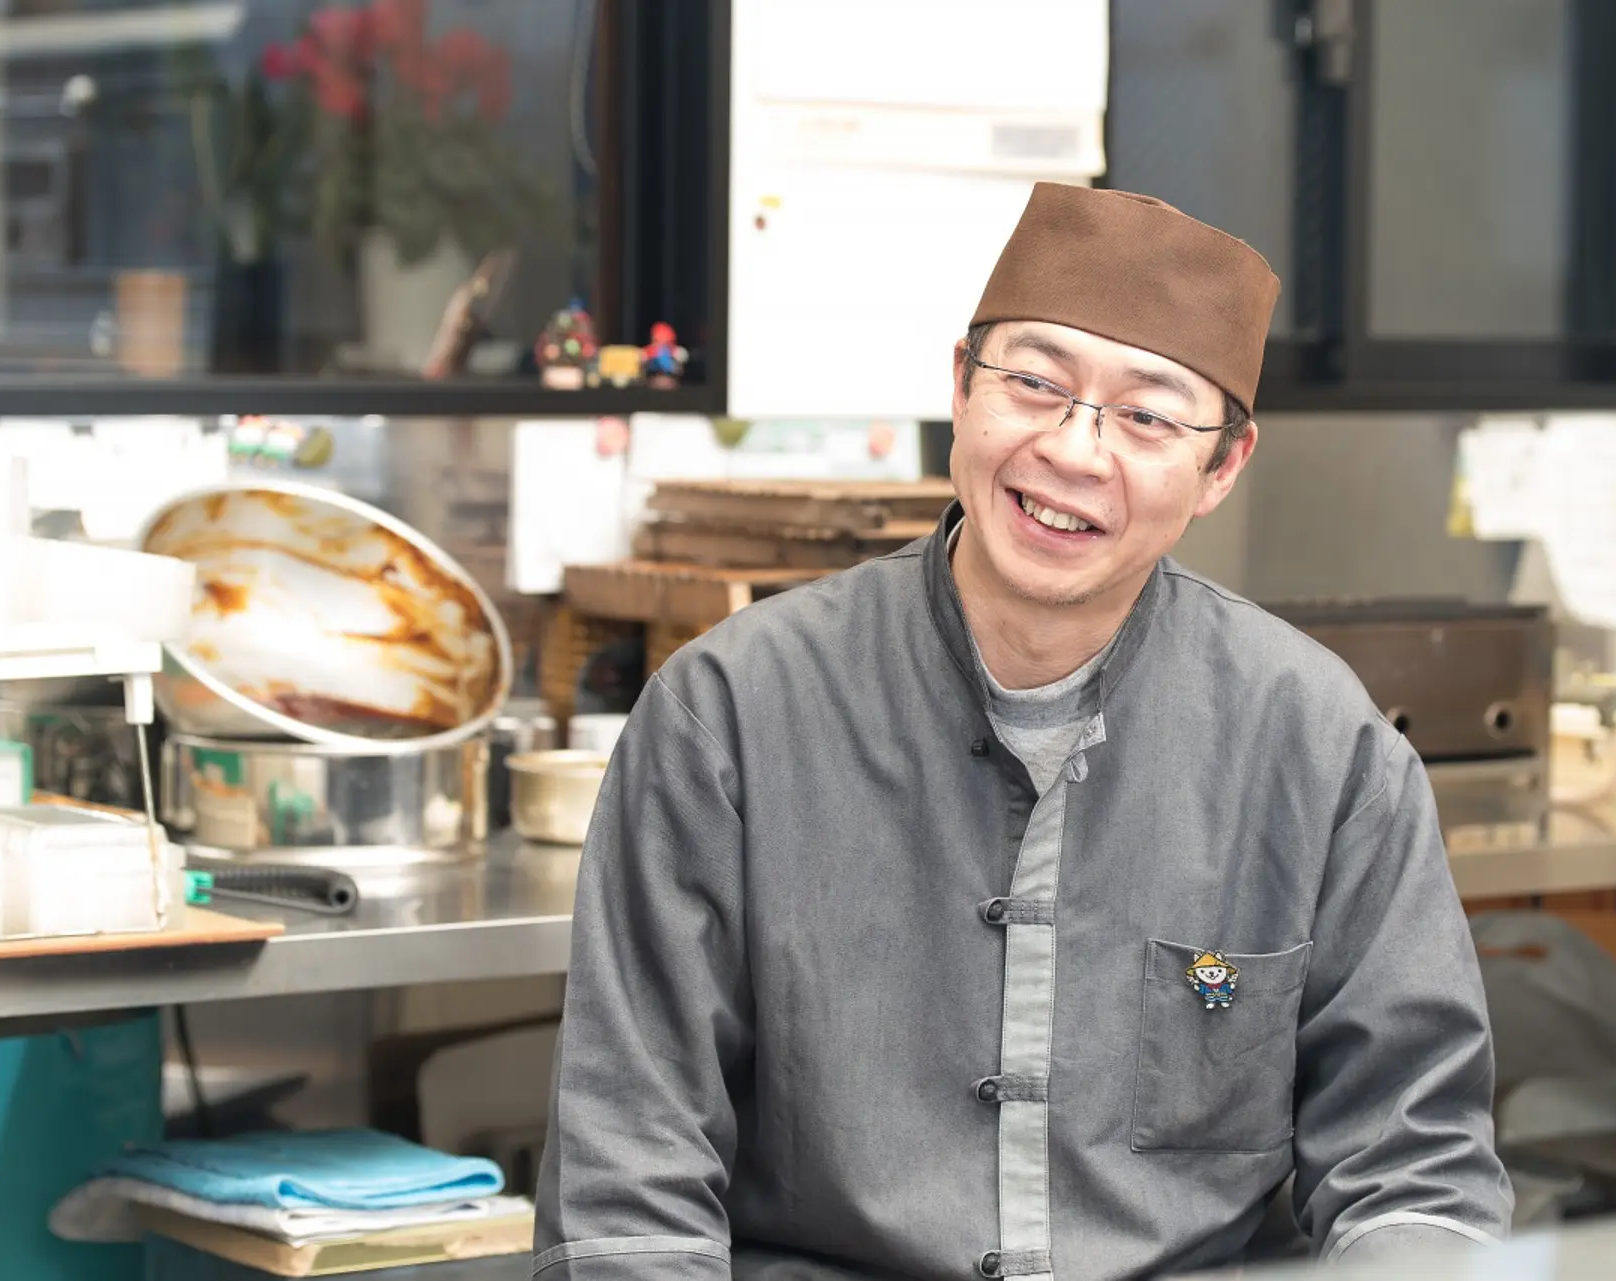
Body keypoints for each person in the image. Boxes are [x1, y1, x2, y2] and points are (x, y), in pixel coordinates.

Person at [535, 183, 1513, 1279]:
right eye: (1037, 384)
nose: (1076, 453)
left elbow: (1414, 1170)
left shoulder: (1320, 746)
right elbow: (630, 1188)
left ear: (1223, 467)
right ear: (962, 386)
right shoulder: (729, 713)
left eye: (1148, 417)